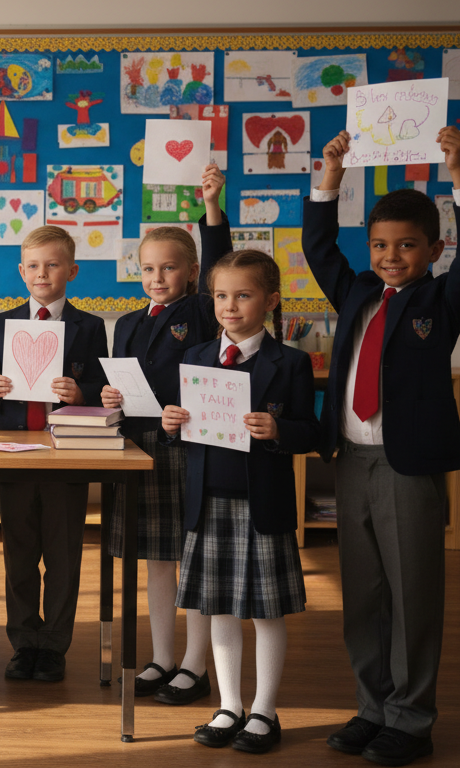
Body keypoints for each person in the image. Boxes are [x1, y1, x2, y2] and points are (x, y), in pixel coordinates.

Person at [307, 127, 460, 766]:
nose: (392, 257)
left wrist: (459, 171)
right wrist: (330, 176)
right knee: (362, 596)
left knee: (412, 593)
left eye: (408, 246)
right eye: (382, 245)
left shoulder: (441, 300)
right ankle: (373, 706)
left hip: (407, 466)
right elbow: (317, 245)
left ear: (432, 249)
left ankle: (412, 720)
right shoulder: (357, 291)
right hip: (353, 461)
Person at [160, 249, 321, 754]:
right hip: (206, 501)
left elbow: (311, 431)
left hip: (262, 504)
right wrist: (171, 425)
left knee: (266, 611)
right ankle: (230, 705)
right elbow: (184, 429)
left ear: (271, 300)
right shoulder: (197, 356)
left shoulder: (291, 362)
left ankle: (265, 711)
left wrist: (280, 430)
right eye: (221, 296)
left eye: (243, 296)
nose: (230, 307)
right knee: (218, 609)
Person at [101, 164, 225, 704]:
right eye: (148, 268)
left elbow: (225, 266)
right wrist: (112, 400)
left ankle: (196, 667)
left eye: (169, 269)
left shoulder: (201, 310)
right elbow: (125, 381)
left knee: (191, 556)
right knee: (154, 560)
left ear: (193, 273)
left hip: (187, 448)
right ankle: (163, 657)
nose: (156, 277)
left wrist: (212, 209)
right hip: (138, 446)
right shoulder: (127, 321)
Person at [0, 225, 106, 683]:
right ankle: (23, 641)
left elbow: (102, 390)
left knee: (63, 553)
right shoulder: (3, 322)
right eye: (33, 265)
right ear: (21, 271)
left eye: (52, 264)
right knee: (19, 552)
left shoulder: (89, 327)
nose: (42, 273)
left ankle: (54, 645)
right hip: (13, 449)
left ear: (71, 270)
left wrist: (81, 390)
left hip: (67, 453)